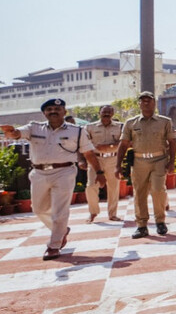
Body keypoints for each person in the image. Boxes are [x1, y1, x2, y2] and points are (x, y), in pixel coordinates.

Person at [1, 99, 105, 260]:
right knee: (38, 208)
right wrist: (11, 131)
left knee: (59, 211)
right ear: (44, 113)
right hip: (39, 173)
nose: (53, 111)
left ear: (64, 111)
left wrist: (99, 172)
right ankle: (62, 230)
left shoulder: (77, 131)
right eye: (49, 109)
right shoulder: (34, 127)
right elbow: (17, 133)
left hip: (64, 172)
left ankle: (54, 245)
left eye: (57, 108)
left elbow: (88, 153)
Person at [116, 92, 175, 239]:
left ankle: (160, 221)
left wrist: (172, 162)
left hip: (159, 160)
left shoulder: (165, 121)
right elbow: (123, 145)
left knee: (158, 190)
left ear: (154, 103)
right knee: (139, 193)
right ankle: (141, 225)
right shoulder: (131, 123)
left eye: (149, 101)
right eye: (143, 101)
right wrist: (118, 166)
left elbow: (172, 142)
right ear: (139, 104)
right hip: (139, 162)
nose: (146, 103)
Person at [82, 105, 124, 222]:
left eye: (109, 112)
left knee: (113, 187)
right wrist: (82, 160)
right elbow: (83, 144)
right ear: (99, 112)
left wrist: (109, 147)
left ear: (113, 113)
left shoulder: (120, 127)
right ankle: (93, 212)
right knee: (90, 186)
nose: (106, 114)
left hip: (113, 160)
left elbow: (125, 143)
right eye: (104, 112)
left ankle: (112, 214)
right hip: (96, 160)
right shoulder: (89, 127)